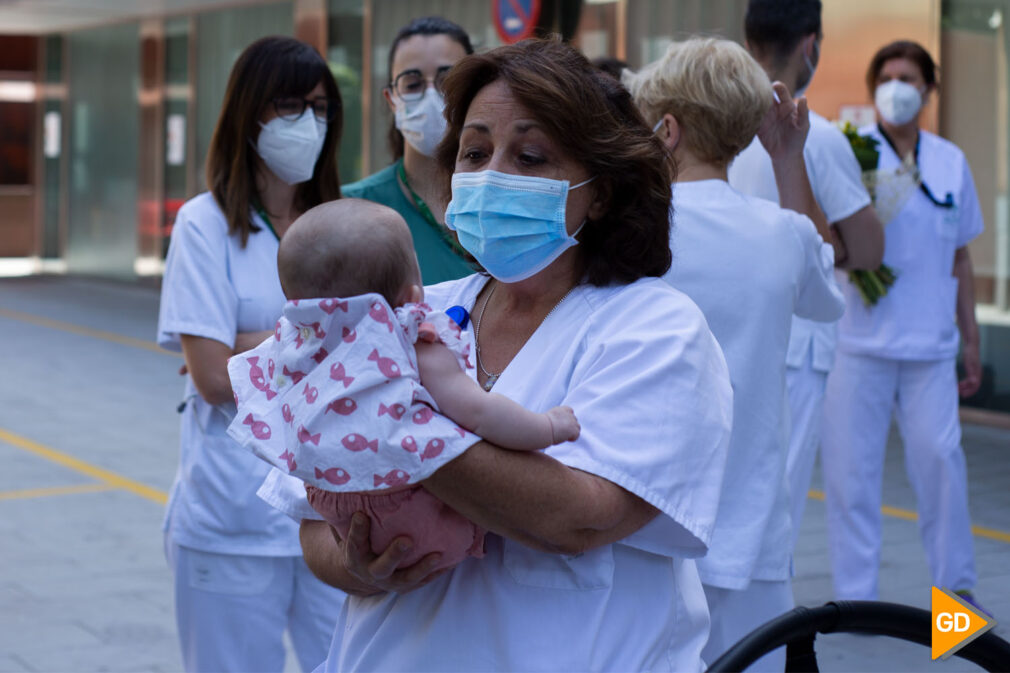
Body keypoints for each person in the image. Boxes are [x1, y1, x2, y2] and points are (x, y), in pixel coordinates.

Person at [257, 38, 734, 672]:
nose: (490, 176)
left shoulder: (654, 329)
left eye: (530, 156)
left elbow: (579, 518)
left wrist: (385, 419)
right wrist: (359, 561)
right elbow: (312, 518)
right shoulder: (414, 309)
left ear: (603, 191)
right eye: (475, 153)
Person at [624, 37, 844, 670]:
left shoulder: (631, 231)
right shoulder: (782, 235)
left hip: (644, 522)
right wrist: (787, 157)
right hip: (753, 535)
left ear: (666, 130)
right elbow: (823, 290)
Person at [227, 198, 580, 573]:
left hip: (332, 501)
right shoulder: (406, 346)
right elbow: (478, 413)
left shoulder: (301, 353)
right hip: (403, 506)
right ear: (413, 295)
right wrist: (548, 427)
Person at [156, 36, 346, 672]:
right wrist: (335, 336)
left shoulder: (340, 222)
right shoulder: (204, 224)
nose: (306, 123)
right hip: (232, 515)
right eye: (287, 105)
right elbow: (212, 376)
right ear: (248, 114)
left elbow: (226, 355)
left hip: (335, 509)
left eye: (319, 107)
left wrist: (248, 344)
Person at [821, 40, 987, 613]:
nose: (897, 86)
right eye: (888, 76)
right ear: (873, 88)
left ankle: (956, 605)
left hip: (930, 347)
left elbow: (960, 257)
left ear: (928, 89)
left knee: (943, 468)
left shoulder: (950, 160)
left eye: (909, 77)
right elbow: (828, 240)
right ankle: (856, 601)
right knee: (851, 477)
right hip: (858, 343)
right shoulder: (850, 152)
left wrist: (972, 337)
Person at [729, 0, 885, 551]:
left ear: (748, 42)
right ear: (810, 44)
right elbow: (868, 249)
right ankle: (764, 634)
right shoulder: (813, 134)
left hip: (725, 335)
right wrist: (832, 243)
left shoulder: (717, 125)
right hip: (796, 344)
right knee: (778, 503)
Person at [341, 16, 475, 285]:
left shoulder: (499, 198)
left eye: (446, 80)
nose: (430, 96)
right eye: (412, 84)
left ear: (472, 92)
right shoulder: (353, 209)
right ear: (391, 99)